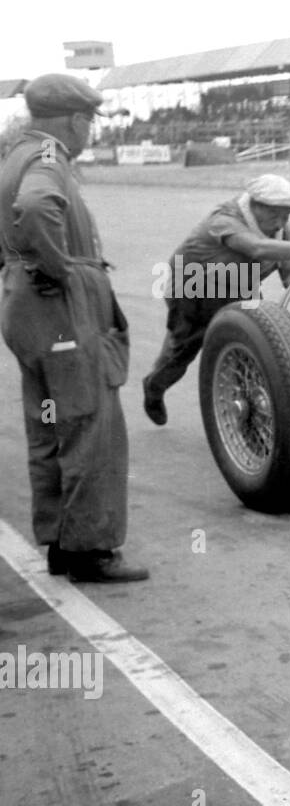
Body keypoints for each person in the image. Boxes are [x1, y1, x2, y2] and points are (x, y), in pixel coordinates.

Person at [0, 73, 148, 582]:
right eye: (89, 121)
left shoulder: (14, 155)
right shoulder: (48, 159)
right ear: (75, 120)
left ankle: (61, 542)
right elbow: (37, 208)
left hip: (25, 303)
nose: (91, 132)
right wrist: (60, 267)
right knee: (90, 426)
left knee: (49, 427)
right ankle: (90, 551)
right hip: (59, 306)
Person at [141, 174, 290, 424]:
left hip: (239, 283)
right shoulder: (224, 220)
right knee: (182, 350)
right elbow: (257, 248)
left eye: (287, 214)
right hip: (194, 287)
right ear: (255, 206)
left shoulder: (282, 229)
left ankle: (248, 415)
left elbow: (289, 271)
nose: (281, 222)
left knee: (257, 344)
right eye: (275, 214)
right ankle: (154, 386)